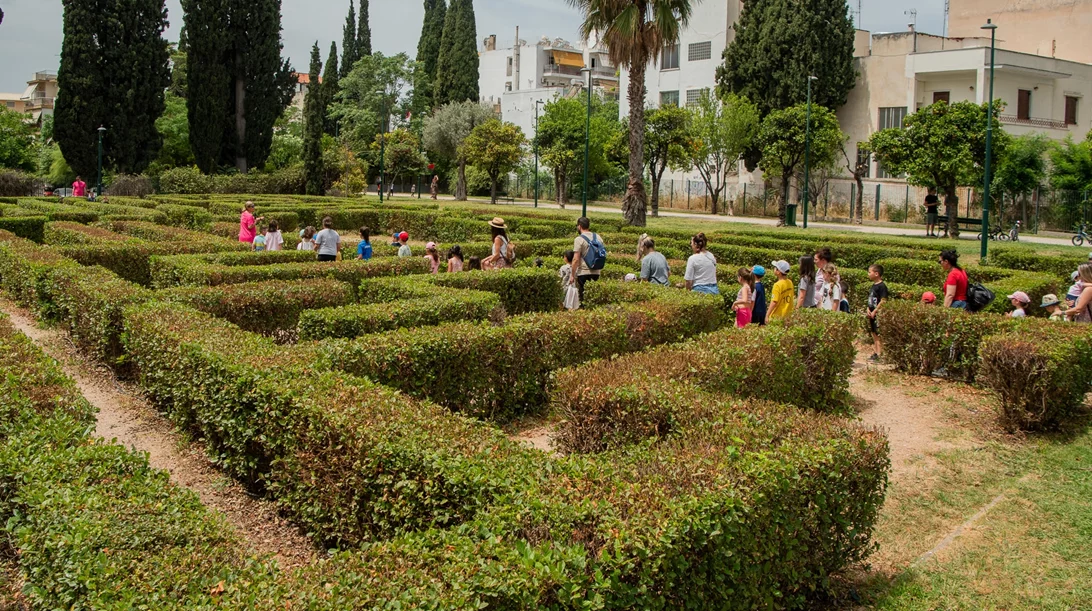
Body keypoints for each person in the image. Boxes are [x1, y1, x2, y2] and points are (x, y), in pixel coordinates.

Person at [573, 217, 604, 300]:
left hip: (583, 271)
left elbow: (576, 259)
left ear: (579, 226)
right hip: (597, 271)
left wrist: (572, 275)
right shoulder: (598, 237)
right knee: (593, 297)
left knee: (583, 298)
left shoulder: (579, 239)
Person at [866, 264, 889, 362]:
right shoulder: (873, 286)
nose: (868, 274)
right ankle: (876, 352)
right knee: (874, 333)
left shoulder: (882, 286)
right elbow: (871, 299)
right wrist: (868, 309)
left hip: (877, 313)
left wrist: (875, 311)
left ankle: (880, 354)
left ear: (876, 274)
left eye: (869, 272)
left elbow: (883, 300)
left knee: (878, 333)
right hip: (871, 313)